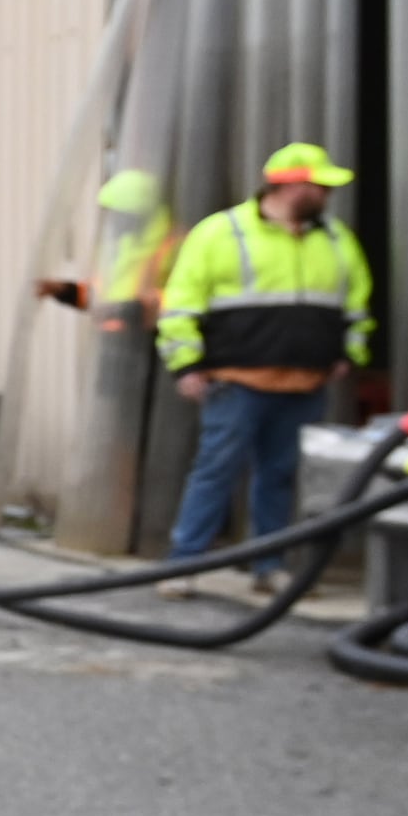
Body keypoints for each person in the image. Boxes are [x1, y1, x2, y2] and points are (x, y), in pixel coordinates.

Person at [155, 143, 371, 594]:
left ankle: (268, 566)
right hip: (237, 381)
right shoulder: (220, 234)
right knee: (216, 470)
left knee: (281, 475)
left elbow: (356, 306)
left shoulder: (335, 239)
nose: (327, 195)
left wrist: (349, 356)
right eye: (320, 185)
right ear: (290, 185)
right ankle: (182, 566)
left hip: (305, 382)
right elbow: (180, 305)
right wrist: (186, 366)